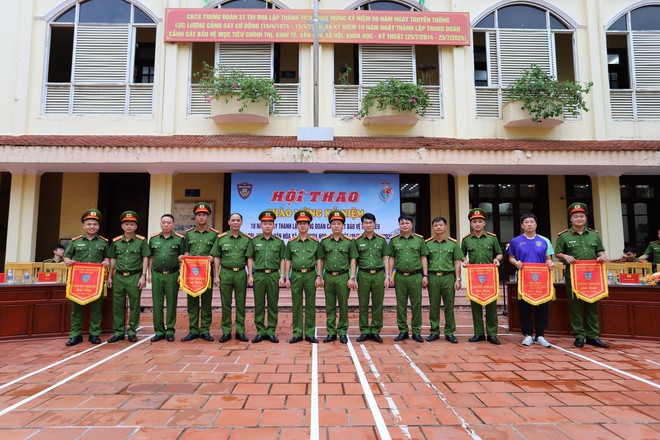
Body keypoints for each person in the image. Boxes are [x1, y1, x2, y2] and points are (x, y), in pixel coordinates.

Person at [555, 203, 609, 348]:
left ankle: (593, 335)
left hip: (593, 275)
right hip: (573, 275)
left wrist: (603, 256)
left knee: (592, 304)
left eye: (581, 216)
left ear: (585, 218)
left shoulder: (594, 235)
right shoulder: (564, 236)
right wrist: (565, 256)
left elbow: (600, 251)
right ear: (571, 219)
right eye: (575, 216)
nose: (579, 219)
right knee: (575, 306)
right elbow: (557, 253)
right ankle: (579, 335)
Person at [63, 209, 110, 346]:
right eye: (89, 224)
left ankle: (94, 334)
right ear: (84, 226)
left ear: (98, 226)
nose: (92, 227)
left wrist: (106, 261)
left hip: (96, 281)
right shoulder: (75, 242)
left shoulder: (103, 242)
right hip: (78, 281)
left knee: (96, 309)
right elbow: (67, 256)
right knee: (76, 309)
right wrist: (66, 260)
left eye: (95, 224)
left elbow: (107, 257)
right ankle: (75, 335)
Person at [508, 213, 555, 347]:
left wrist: (550, 264)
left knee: (542, 306)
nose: (529, 224)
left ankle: (540, 335)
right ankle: (528, 334)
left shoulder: (545, 240)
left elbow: (548, 259)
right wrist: (515, 263)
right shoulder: (516, 241)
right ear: (522, 225)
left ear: (536, 224)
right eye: (526, 222)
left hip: (542, 279)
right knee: (525, 306)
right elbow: (511, 257)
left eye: (532, 222)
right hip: (524, 279)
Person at [461, 208, 503, 345]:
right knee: (476, 304)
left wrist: (497, 259)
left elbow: (499, 253)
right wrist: (464, 261)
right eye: (474, 222)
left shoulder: (492, 238)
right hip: (474, 277)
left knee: (491, 305)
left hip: (489, 275)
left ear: (484, 223)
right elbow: (461, 255)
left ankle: (492, 334)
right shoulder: (466, 240)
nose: (477, 224)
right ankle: (478, 333)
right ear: (471, 224)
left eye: (480, 221)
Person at [107, 211, 150, 343]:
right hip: (119, 277)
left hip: (134, 276)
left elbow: (145, 258)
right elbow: (113, 259)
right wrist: (110, 276)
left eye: (132, 224)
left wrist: (143, 276)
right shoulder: (116, 242)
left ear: (136, 227)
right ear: (122, 226)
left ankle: (132, 331)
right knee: (118, 305)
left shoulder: (141, 241)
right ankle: (119, 332)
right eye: (126, 224)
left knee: (134, 305)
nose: (129, 227)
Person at [246, 210, 286, 343]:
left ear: (273, 225)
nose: (267, 226)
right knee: (259, 304)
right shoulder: (254, 241)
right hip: (259, 275)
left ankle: (271, 331)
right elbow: (250, 258)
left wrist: (282, 276)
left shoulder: (279, 242)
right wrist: (250, 274)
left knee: (273, 304)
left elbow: (282, 260)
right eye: (265, 223)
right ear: (260, 225)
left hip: (274, 275)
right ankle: (260, 331)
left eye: (270, 223)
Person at [319, 210, 358, 344]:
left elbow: (353, 259)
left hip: (343, 277)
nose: (336, 226)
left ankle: (342, 331)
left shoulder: (349, 242)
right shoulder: (324, 242)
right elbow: (321, 260)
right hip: (329, 276)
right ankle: (331, 332)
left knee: (343, 305)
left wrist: (352, 277)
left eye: (339, 223)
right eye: (334, 223)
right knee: (329, 306)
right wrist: (320, 276)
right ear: (330, 225)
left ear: (343, 226)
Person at [284, 210, 323, 344]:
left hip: (311, 275)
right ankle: (298, 333)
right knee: (297, 304)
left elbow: (319, 259)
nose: (302, 226)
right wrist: (286, 277)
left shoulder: (315, 242)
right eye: (300, 223)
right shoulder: (291, 242)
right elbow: (287, 260)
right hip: (295, 275)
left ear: (309, 225)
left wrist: (319, 275)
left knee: (311, 304)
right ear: (296, 225)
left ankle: (310, 333)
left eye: (305, 223)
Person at [182, 202, 218, 342]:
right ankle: (193, 330)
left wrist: (212, 259)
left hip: (206, 274)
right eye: (199, 215)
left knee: (206, 303)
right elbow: (186, 252)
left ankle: (205, 330)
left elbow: (216, 255)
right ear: (195, 217)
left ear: (208, 217)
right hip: (191, 275)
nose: (201, 217)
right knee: (192, 302)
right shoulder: (189, 234)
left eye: (204, 215)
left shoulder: (214, 235)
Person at [389, 214, 428, 343]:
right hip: (400, 276)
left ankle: (416, 331)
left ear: (412, 225)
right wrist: (389, 275)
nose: (404, 225)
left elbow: (423, 257)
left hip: (416, 276)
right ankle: (403, 331)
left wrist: (425, 275)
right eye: (402, 223)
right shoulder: (394, 240)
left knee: (416, 304)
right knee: (401, 305)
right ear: (399, 225)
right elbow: (391, 258)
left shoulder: (419, 240)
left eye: (407, 223)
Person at [425, 216, 465, 344]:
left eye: (441, 225)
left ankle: (449, 332)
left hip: (448, 276)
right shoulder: (427, 243)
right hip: (433, 277)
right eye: (436, 225)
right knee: (434, 305)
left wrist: (458, 279)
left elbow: (457, 262)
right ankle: (434, 331)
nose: (438, 227)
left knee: (449, 305)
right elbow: (424, 260)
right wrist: (424, 276)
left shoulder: (453, 243)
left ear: (445, 227)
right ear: (433, 227)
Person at [212, 213, 251, 343]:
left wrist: (250, 274)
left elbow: (249, 258)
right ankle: (226, 331)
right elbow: (216, 257)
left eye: (238, 220)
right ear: (228, 222)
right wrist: (216, 275)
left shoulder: (246, 239)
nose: (235, 222)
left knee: (241, 303)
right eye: (233, 220)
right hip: (226, 273)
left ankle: (240, 331)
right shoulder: (221, 238)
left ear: (241, 222)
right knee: (226, 304)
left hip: (240, 273)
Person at [147, 214, 185, 343]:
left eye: (169, 222)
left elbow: (183, 258)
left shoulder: (180, 239)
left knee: (171, 303)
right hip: (157, 274)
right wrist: (149, 273)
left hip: (173, 274)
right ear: (160, 224)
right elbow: (150, 257)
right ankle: (159, 331)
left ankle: (169, 330)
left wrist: (181, 273)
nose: (166, 225)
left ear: (173, 224)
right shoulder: (153, 239)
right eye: (164, 222)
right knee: (157, 304)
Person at [354, 213, 390, 343]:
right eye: (365, 222)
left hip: (378, 275)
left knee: (377, 304)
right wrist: (353, 278)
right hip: (363, 274)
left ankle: (375, 330)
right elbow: (354, 260)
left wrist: (387, 276)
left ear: (375, 224)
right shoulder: (357, 240)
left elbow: (385, 258)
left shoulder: (381, 240)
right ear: (362, 224)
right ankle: (364, 330)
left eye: (370, 222)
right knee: (363, 304)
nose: (368, 225)